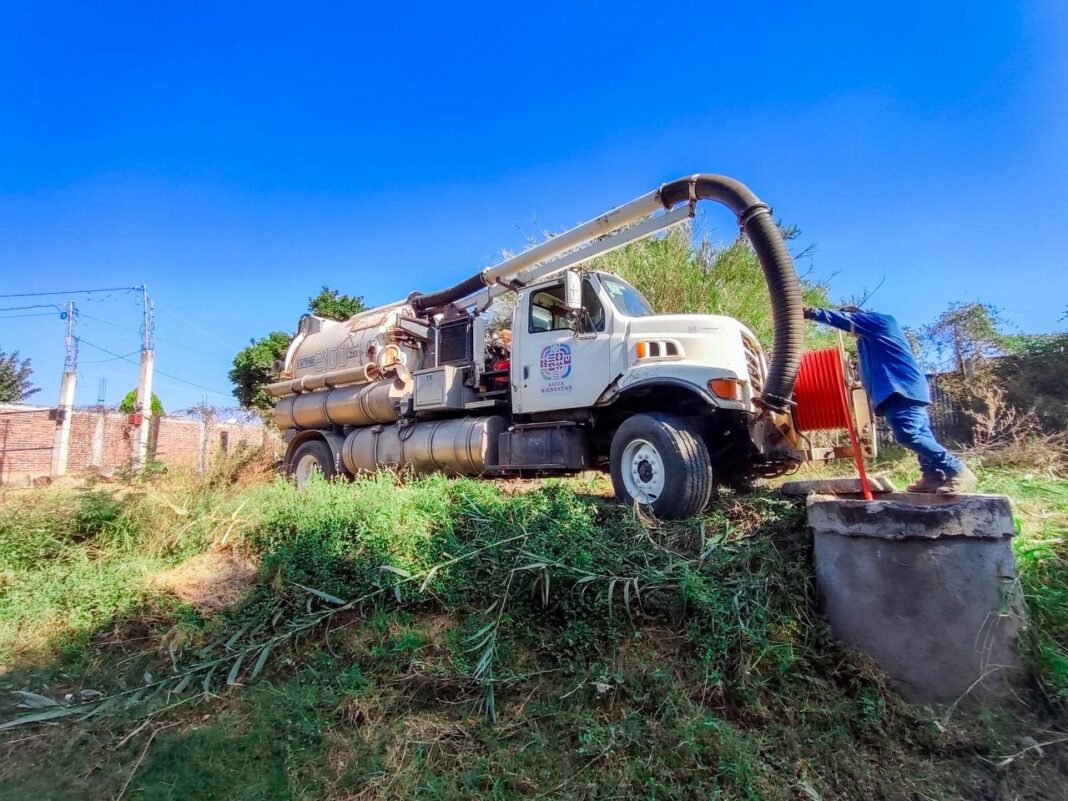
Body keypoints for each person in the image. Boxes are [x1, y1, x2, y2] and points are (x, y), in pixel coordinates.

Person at [803, 305, 977, 494]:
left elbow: (843, 320)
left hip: (901, 389)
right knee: (922, 435)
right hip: (901, 391)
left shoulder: (881, 322)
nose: (851, 334)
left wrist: (810, 312)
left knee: (909, 435)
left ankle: (957, 470)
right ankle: (932, 477)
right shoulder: (868, 340)